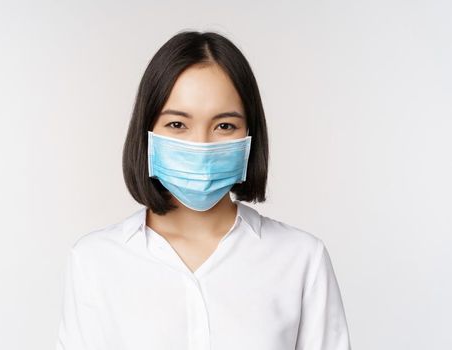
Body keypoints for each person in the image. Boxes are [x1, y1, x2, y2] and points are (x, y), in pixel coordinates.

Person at [55, 31, 351, 350]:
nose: (201, 145)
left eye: (224, 126)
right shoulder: (95, 260)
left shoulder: (301, 258)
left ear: (250, 135)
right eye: (177, 125)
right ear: (148, 132)